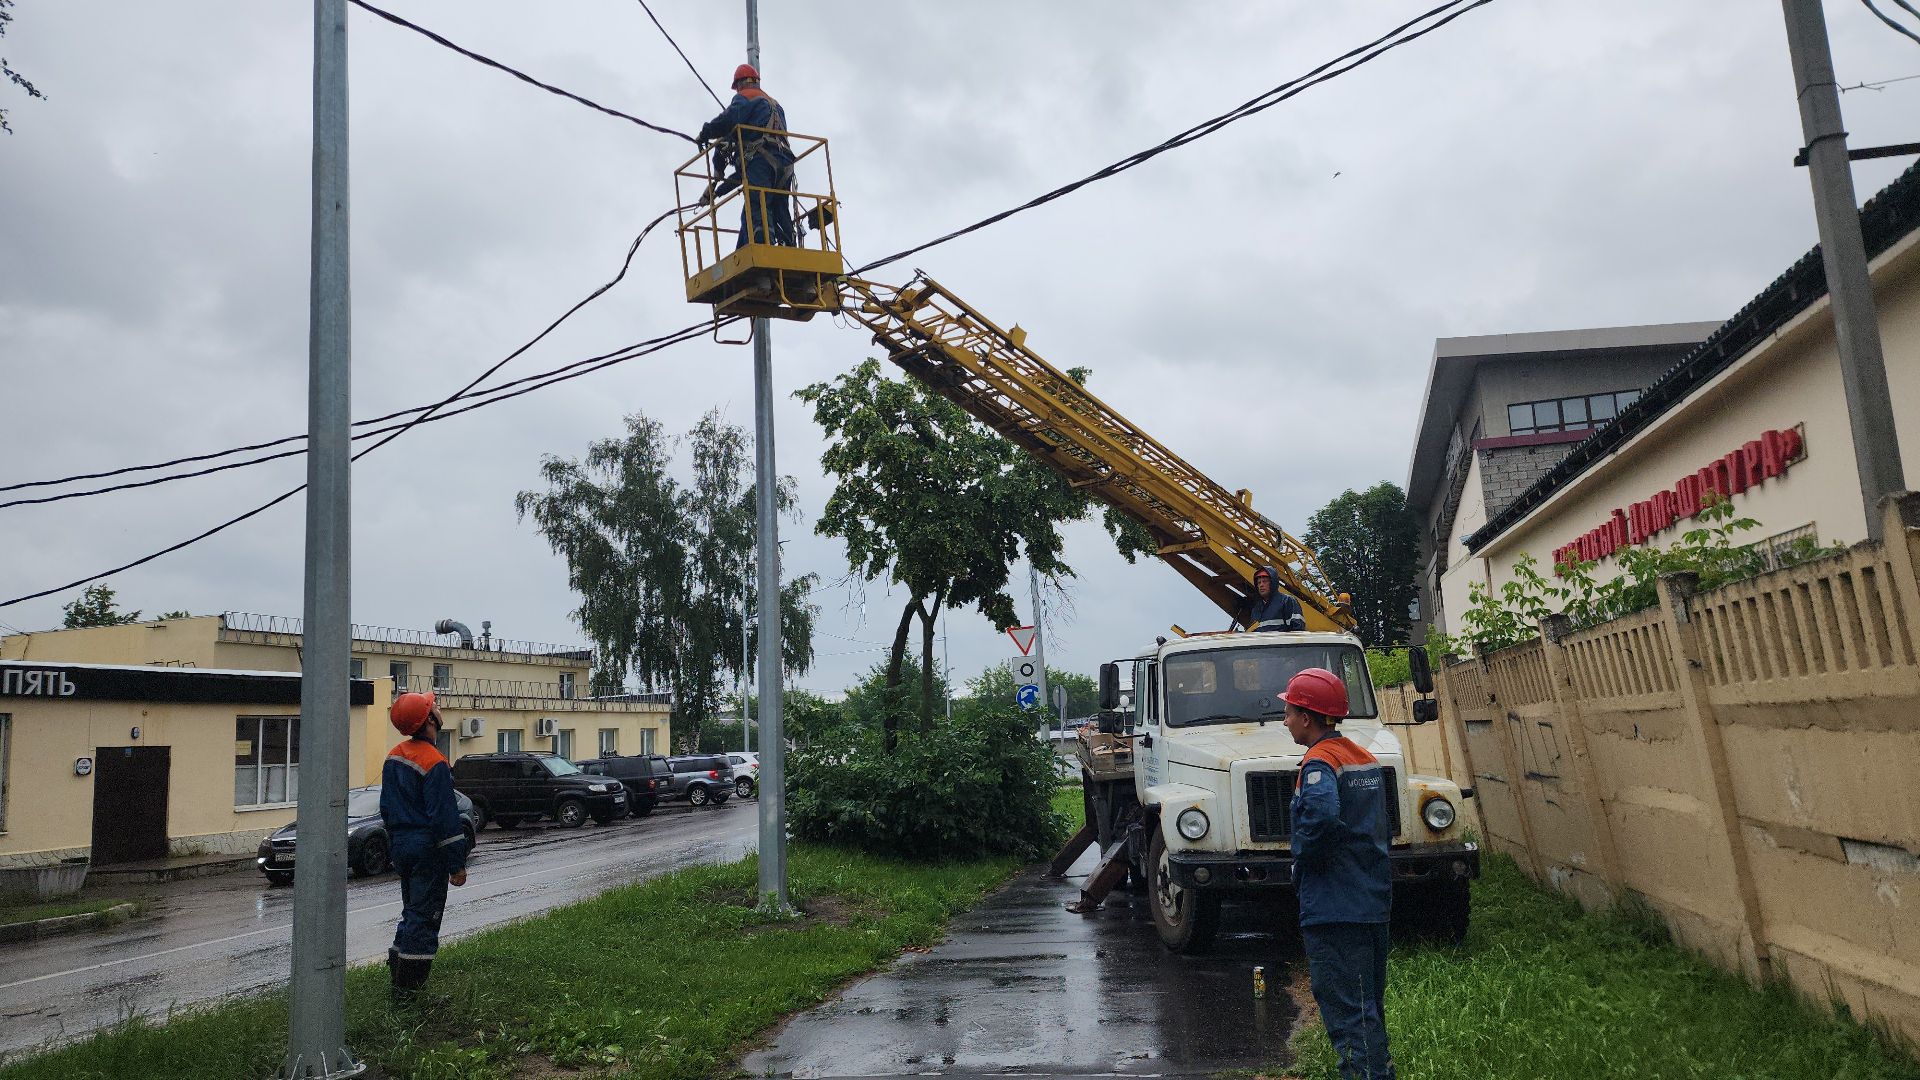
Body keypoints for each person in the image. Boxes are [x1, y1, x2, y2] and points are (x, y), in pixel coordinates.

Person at [1280, 668, 1394, 1080]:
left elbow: (1322, 818)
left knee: (1349, 1017)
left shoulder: (1318, 762)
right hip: (1371, 903)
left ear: (1307, 716)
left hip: (1334, 908)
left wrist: (1301, 864)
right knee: (1367, 1012)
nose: (1285, 719)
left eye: (1289, 711)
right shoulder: (1363, 758)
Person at [382, 691, 470, 1004]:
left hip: (402, 847)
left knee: (412, 913)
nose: (439, 707)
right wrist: (456, 864)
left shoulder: (395, 755)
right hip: (426, 851)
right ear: (429, 719)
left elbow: (388, 809)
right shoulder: (435, 762)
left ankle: (398, 984)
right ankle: (410, 997)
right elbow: (445, 820)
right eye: (434, 705)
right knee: (425, 917)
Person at [697, 63, 795, 248]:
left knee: (757, 204)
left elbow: (727, 122)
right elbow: (742, 176)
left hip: (761, 158)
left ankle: (761, 244)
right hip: (785, 163)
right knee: (778, 205)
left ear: (740, 84)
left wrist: (706, 133)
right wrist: (716, 191)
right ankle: (788, 244)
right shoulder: (775, 105)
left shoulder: (745, 98)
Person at [1246, 565, 1306, 631]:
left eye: (1265, 581)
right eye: (1259, 582)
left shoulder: (1287, 601)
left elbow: (1298, 631)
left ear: (1273, 582)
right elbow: (1252, 634)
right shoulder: (1256, 609)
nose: (1261, 585)